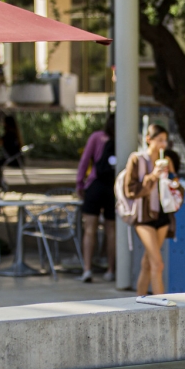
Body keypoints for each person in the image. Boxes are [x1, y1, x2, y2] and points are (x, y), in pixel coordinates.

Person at [123, 123, 176, 295]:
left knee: (148, 263)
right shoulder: (137, 159)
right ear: (148, 139)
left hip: (162, 214)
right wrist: (153, 176)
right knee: (157, 264)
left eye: (165, 141)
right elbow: (130, 190)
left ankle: (139, 303)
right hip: (143, 216)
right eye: (159, 140)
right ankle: (160, 308)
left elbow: (176, 184)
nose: (163, 144)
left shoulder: (166, 160)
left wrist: (171, 180)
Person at [76, 114, 117, 283]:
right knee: (111, 230)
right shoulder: (124, 138)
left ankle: (87, 269)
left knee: (90, 229)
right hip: (113, 188)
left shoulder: (97, 137)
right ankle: (111, 270)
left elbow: (85, 160)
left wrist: (80, 183)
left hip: (95, 186)